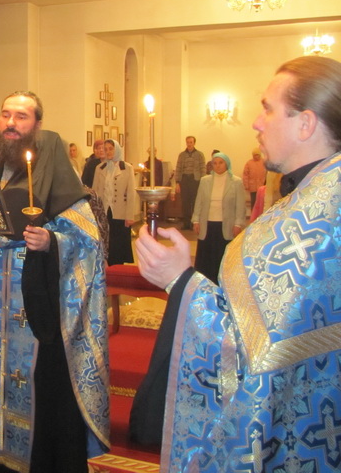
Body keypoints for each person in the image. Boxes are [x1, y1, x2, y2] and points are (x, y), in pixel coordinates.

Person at [132, 56, 341, 471]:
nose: (257, 123)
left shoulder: (318, 224)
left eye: (268, 109)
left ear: (305, 124)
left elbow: (252, 357)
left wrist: (180, 280)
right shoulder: (313, 200)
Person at [0, 91, 109, 473]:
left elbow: (89, 241)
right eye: (6, 114)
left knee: (36, 396)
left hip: (35, 311)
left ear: (37, 124)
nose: (11, 123)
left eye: (21, 116)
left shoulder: (57, 175)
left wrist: (52, 241)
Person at [191, 152, 245, 283]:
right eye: (215, 163)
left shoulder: (236, 182)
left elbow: (240, 205)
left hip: (225, 225)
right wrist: (196, 220)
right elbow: (199, 202)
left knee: (222, 255)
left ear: (227, 164)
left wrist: (238, 224)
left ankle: (222, 282)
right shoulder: (205, 181)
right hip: (207, 224)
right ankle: (204, 282)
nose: (218, 166)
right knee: (206, 256)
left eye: (221, 163)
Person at [93, 138, 136, 265]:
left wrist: (130, 215)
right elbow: (95, 192)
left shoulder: (126, 168)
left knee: (118, 243)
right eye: (106, 149)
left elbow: (131, 193)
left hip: (120, 211)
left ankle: (118, 267)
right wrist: (94, 213)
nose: (108, 152)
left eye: (111, 149)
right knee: (106, 241)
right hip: (104, 210)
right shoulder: (100, 168)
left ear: (116, 149)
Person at [174, 135, 205, 230]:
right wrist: (177, 182)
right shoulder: (181, 155)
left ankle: (194, 222)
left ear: (194, 143)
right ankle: (186, 223)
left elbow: (203, 168)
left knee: (195, 202)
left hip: (195, 180)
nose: (189, 144)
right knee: (185, 202)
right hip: (184, 179)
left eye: (191, 142)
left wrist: (203, 181)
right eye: (188, 142)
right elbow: (178, 168)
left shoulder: (200, 154)